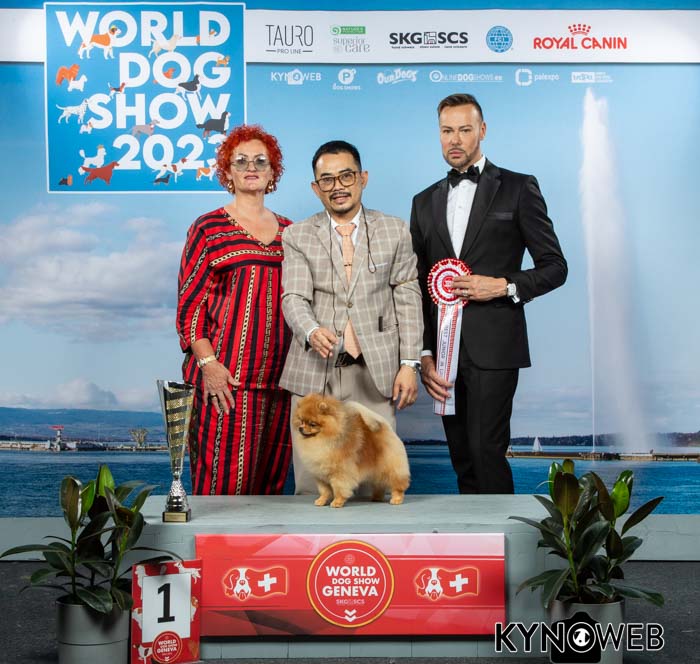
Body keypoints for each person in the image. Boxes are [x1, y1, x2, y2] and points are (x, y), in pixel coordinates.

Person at [410, 94, 567, 494]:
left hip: (495, 347)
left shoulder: (518, 187)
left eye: (464, 129)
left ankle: (501, 536)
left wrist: (503, 285)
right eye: (447, 131)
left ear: (482, 131)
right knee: (462, 458)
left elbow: (555, 267)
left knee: (487, 453)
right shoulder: (423, 201)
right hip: (442, 354)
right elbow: (416, 285)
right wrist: (423, 354)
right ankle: (473, 536)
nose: (455, 139)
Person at [280, 140, 423, 494]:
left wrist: (409, 363)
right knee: (314, 488)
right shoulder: (297, 235)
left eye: (346, 176)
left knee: (377, 482)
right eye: (327, 180)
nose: (338, 186)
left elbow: (407, 298)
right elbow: (293, 297)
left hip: (376, 374)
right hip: (314, 376)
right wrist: (311, 330)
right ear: (316, 188)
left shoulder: (395, 229)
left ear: (363, 178)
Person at [176, 124, 293, 495]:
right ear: (227, 172)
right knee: (222, 492)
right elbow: (190, 308)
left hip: (281, 384)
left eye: (261, 161)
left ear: (273, 172)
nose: (251, 167)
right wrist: (209, 366)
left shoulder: (292, 232)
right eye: (240, 161)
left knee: (270, 493)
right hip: (227, 382)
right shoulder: (208, 228)